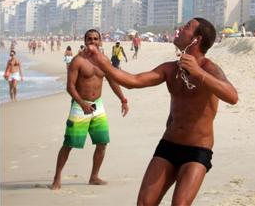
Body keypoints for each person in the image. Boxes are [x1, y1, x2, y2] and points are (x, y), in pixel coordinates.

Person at [82, 18, 239, 205]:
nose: (180, 28)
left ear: (196, 39)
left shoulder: (210, 69)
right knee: (144, 203)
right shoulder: (170, 68)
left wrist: (198, 72)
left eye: (187, 27)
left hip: (197, 150)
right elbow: (133, 81)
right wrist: (101, 62)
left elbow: (232, 97)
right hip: (168, 146)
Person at [52, 29, 129, 191]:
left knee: (102, 142)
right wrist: (82, 103)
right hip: (80, 106)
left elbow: (113, 81)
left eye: (95, 39)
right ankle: (57, 178)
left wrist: (123, 99)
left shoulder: (104, 61)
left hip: (97, 106)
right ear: (85, 41)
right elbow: (70, 87)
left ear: (100, 41)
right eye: (89, 39)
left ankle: (94, 176)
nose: (92, 41)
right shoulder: (77, 61)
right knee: (69, 143)